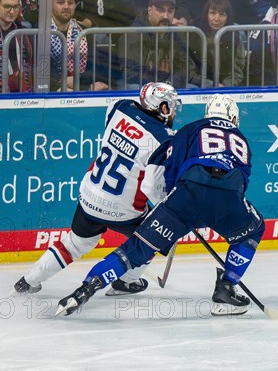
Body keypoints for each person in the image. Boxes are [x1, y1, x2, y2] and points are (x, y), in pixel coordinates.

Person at [56, 94, 265, 317]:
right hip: (227, 199)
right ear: (233, 118)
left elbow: (167, 171)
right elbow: (242, 181)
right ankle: (226, 288)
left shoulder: (190, 129)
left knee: (135, 249)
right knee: (254, 229)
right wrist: (214, 207)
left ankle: (85, 288)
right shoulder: (241, 139)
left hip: (185, 197)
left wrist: (179, 202)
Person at [14, 82, 180, 295]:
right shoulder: (164, 140)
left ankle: (28, 281)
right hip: (124, 212)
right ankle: (126, 282)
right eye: (172, 106)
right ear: (163, 108)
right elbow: (155, 190)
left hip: (90, 197)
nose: (174, 111)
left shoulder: (119, 108)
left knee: (73, 245)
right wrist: (172, 208)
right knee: (153, 236)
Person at [116, 0, 202, 90]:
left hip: (168, 85)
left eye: (170, 11)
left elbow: (184, 68)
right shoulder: (134, 34)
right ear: (149, 10)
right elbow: (130, 74)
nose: (165, 16)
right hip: (140, 86)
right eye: (160, 10)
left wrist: (168, 83)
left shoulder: (175, 34)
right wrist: (159, 81)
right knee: (134, 88)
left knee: (192, 88)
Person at [49, 0, 109, 91]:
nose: (66, 6)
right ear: (50, 4)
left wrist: (79, 79)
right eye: (60, 2)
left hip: (82, 89)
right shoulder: (40, 33)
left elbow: (98, 68)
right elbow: (41, 72)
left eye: (70, 3)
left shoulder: (85, 32)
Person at [188, 0, 246, 87]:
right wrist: (212, 85)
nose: (216, 19)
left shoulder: (234, 37)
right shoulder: (194, 35)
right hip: (198, 85)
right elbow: (189, 72)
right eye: (212, 13)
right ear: (206, 14)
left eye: (222, 14)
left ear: (228, 17)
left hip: (224, 86)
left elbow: (237, 72)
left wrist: (224, 86)